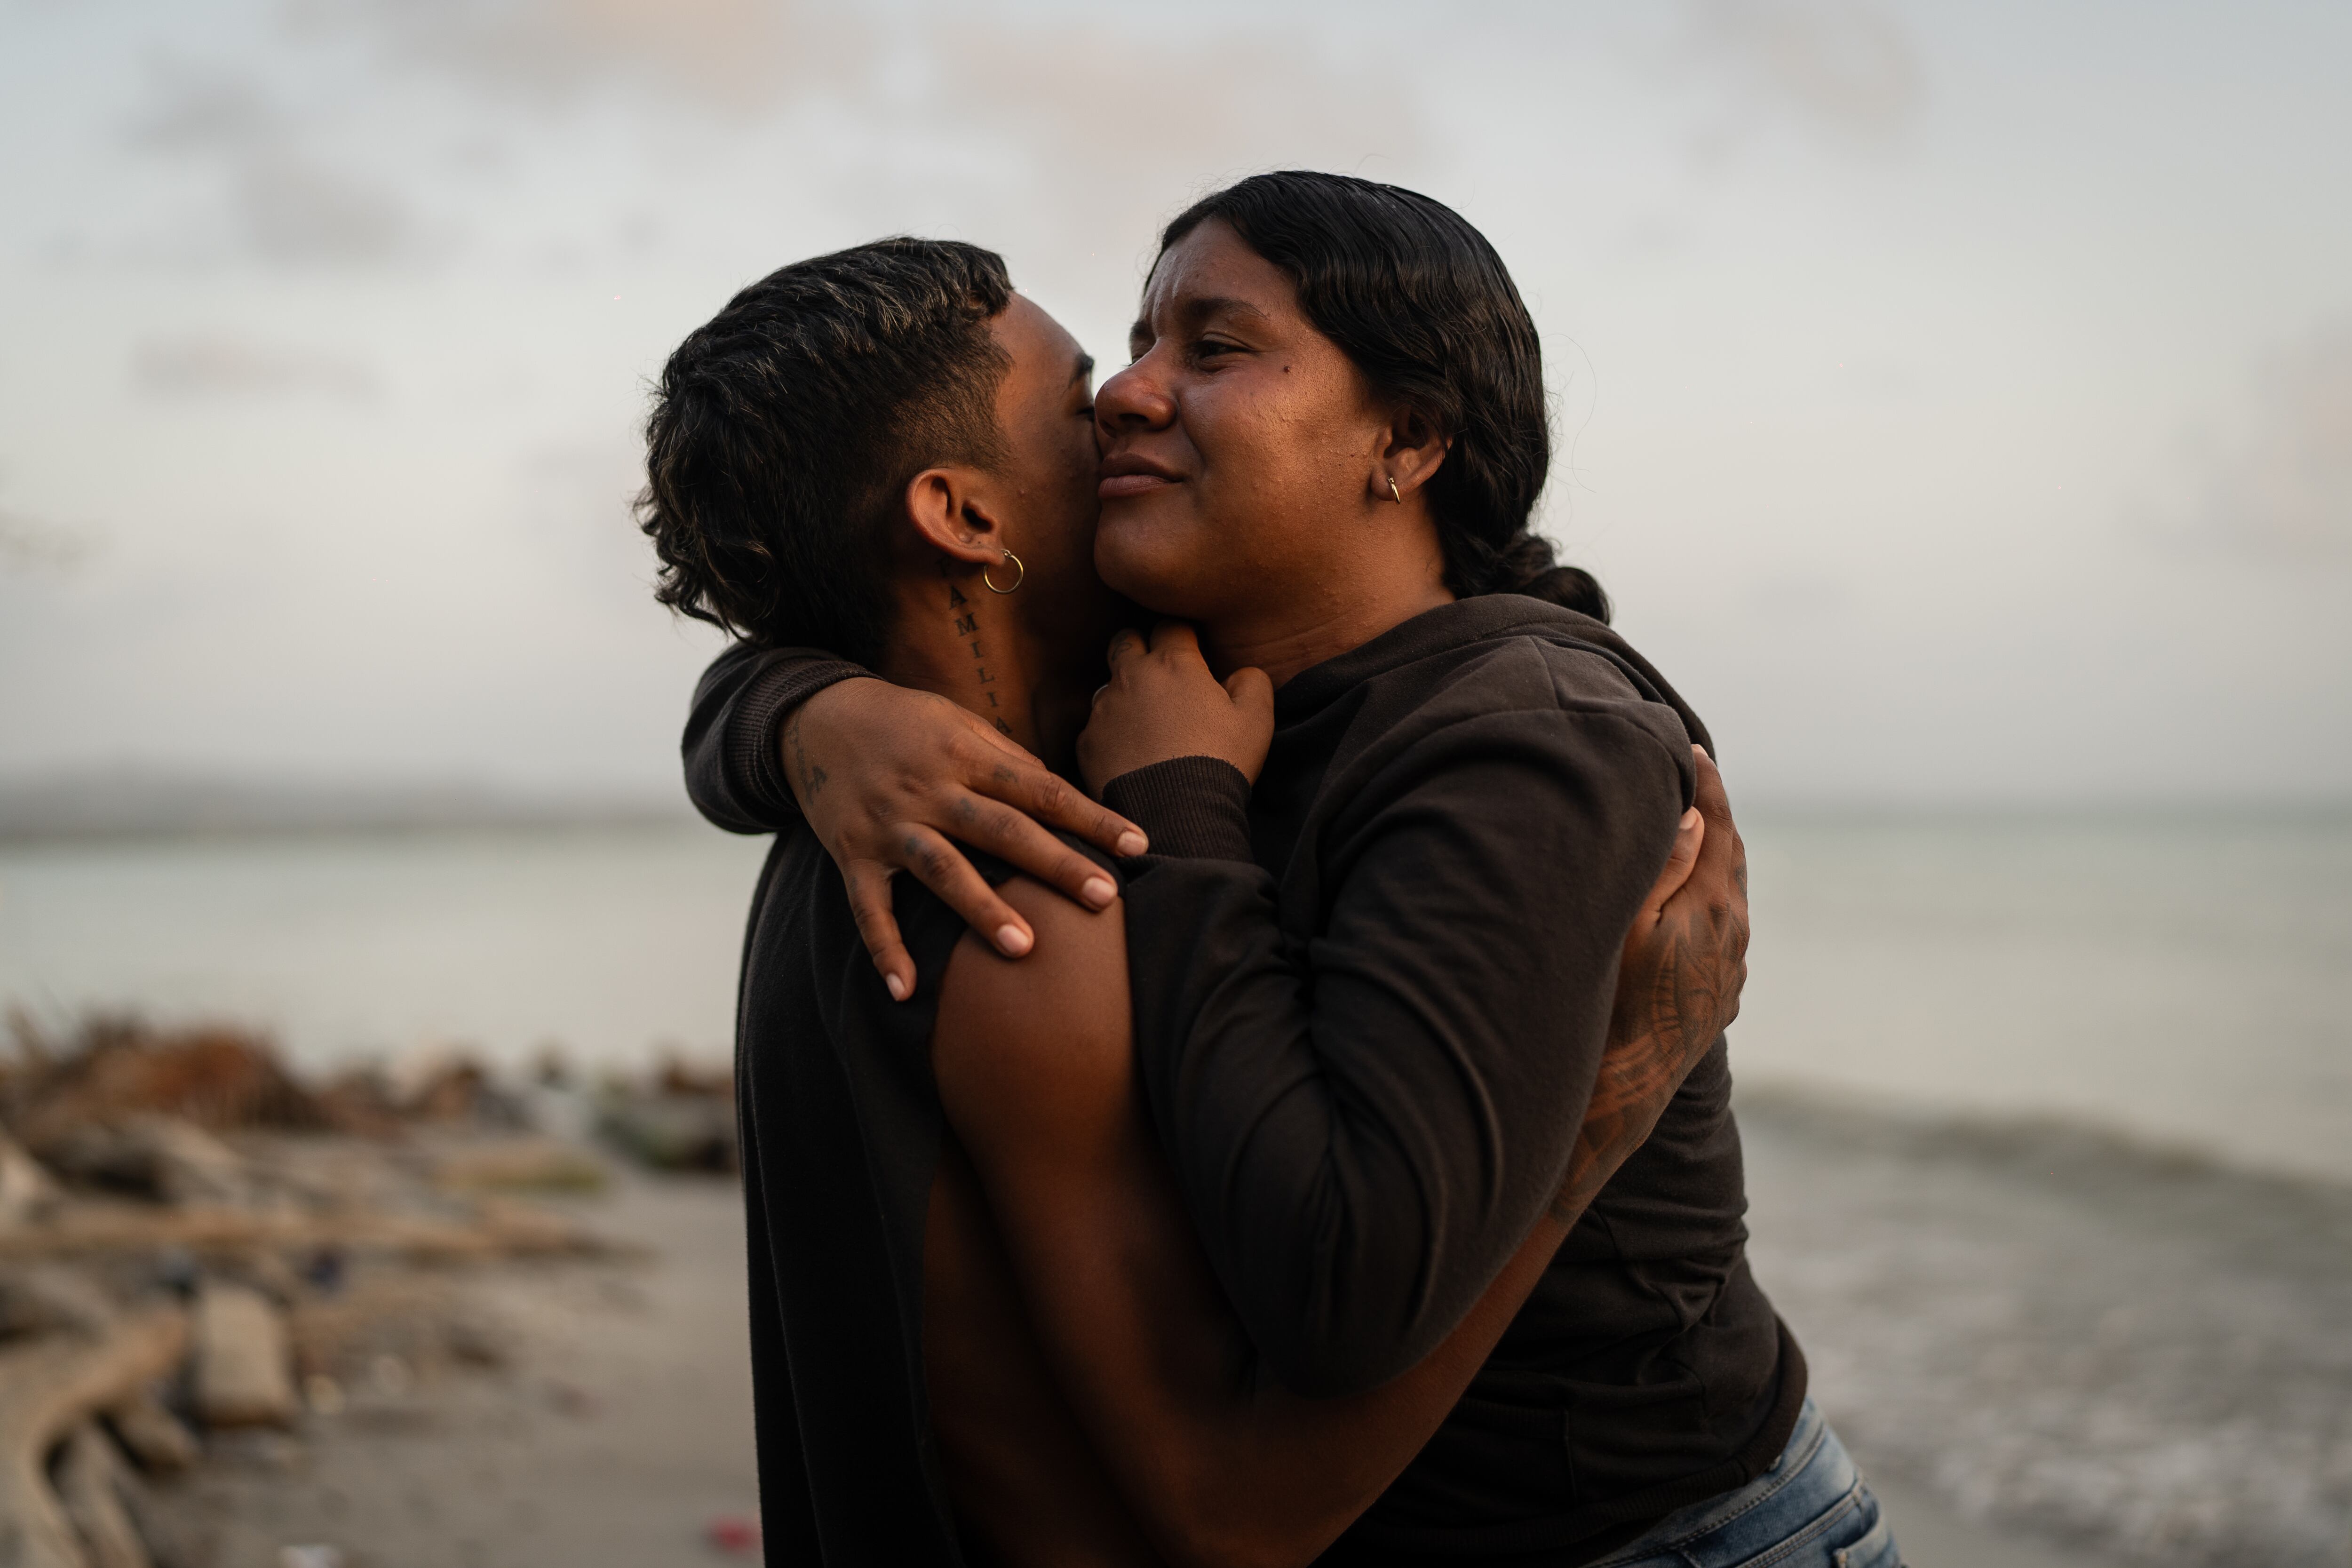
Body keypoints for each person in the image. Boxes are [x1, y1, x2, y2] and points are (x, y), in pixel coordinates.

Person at [665, 175, 1902, 1568]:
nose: (1131, 396)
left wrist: (1181, 804)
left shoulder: (1517, 738)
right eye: (1118, 365)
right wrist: (794, 717)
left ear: (1409, 438)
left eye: (1211, 348)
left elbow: (1339, 1288)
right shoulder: (1066, 751)